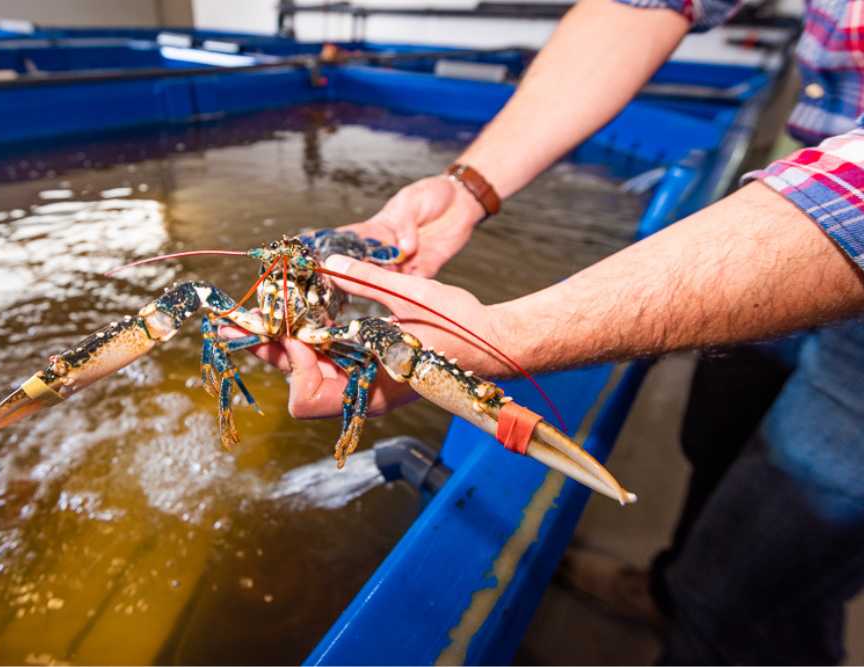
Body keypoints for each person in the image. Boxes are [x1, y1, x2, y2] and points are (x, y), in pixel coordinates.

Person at [251, 0, 864, 662]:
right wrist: (467, 188)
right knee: (713, 434)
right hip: (796, 178)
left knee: (747, 587)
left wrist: (508, 336)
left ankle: (704, 601)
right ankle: (668, 584)